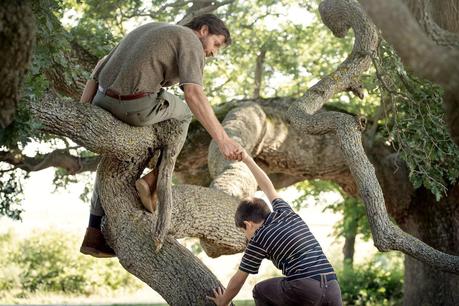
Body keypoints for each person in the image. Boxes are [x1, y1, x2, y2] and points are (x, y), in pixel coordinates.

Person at [78, 14, 243, 258]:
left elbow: (100, 66)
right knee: (185, 113)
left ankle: (94, 232)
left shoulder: (151, 28)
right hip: (133, 105)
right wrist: (223, 140)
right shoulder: (190, 39)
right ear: (204, 30)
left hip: (102, 101)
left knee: (111, 163)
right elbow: (193, 95)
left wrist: (84, 111)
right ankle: (153, 182)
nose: (214, 53)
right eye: (216, 44)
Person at [208, 149, 343, 306]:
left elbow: (239, 278)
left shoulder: (258, 238)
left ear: (248, 224)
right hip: (333, 287)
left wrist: (223, 301)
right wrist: (247, 159)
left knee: (260, 291)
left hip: (305, 287)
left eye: (244, 232)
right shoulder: (284, 211)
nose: (246, 237)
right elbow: (267, 186)